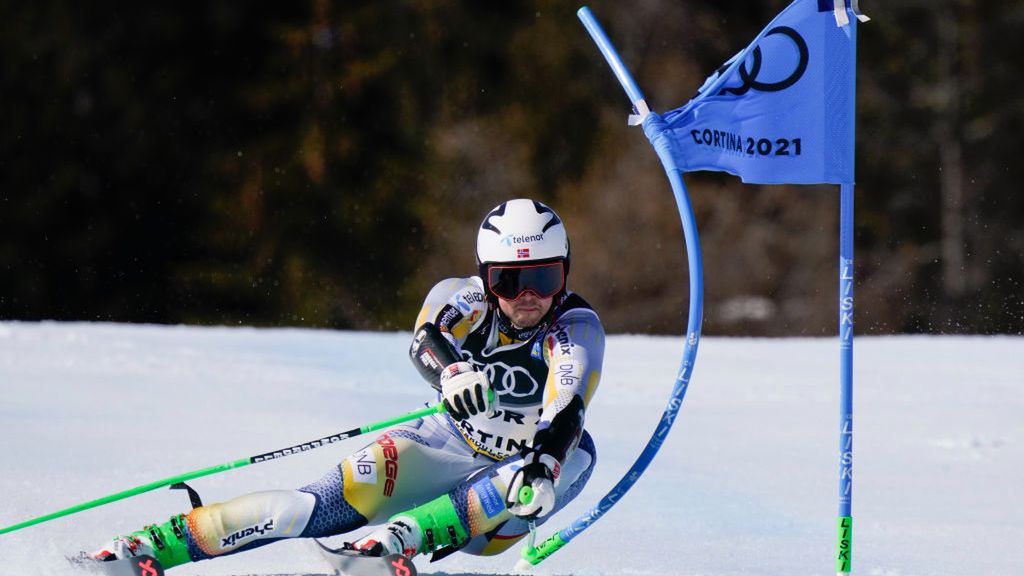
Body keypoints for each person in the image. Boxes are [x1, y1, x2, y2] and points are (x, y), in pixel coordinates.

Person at [86, 198, 606, 571]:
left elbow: (566, 407)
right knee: (309, 507)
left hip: (511, 495)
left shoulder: (575, 327)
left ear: (565, 274)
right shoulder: (462, 297)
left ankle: (391, 545)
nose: (528, 296)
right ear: (485, 278)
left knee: (570, 456)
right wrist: (452, 371)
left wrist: (542, 464)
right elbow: (427, 336)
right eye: (508, 282)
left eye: (544, 278)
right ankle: (150, 547)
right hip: (444, 442)